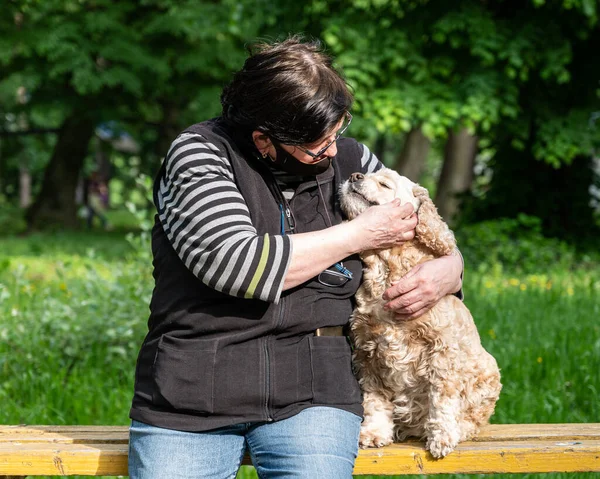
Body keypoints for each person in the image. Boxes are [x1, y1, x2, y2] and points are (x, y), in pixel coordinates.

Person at [128, 35, 463, 479]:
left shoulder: (351, 159)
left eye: (336, 132)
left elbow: (418, 225)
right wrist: (357, 234)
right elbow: (238, 264)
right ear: (264, 139)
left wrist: (452, 268)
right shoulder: (200, 154)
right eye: (315, 144)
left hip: (316, 390)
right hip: (194, 390)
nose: (331, 151)